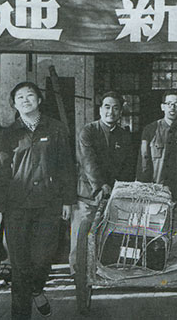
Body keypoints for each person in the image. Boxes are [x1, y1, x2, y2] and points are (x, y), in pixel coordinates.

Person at [0, 81, 76, 319]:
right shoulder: (9, 134)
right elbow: (2, 174)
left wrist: (68, 201)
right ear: (14, 104)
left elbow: (67, 167)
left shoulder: (56, 128)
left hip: (49, 205)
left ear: (39, 100)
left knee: (42, 260)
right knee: (20, 267)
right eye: (19, 97)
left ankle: (37, 288)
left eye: (30, 95)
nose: (25, 100)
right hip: (16, 207)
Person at [70, 91, 133, 275]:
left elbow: (127, 166)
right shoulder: (88, 131)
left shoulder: (124, 136)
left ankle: (103, 272)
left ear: (120, 112)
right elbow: (88, 161)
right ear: (100, 109)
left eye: (115, 108)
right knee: (81, 237)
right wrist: (100, 186)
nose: (110, 112)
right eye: (107, 107)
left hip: (113, 195)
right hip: (88, 195)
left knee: (108, 235)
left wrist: (120, 188)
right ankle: (78, 275)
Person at [137, 90, 177, 201]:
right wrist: (142, 186)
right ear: (162, 107)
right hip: (153, 190)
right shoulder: (150, 130)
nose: (172, 108)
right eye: (169, 104)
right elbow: (144, 161)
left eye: (176, 105)